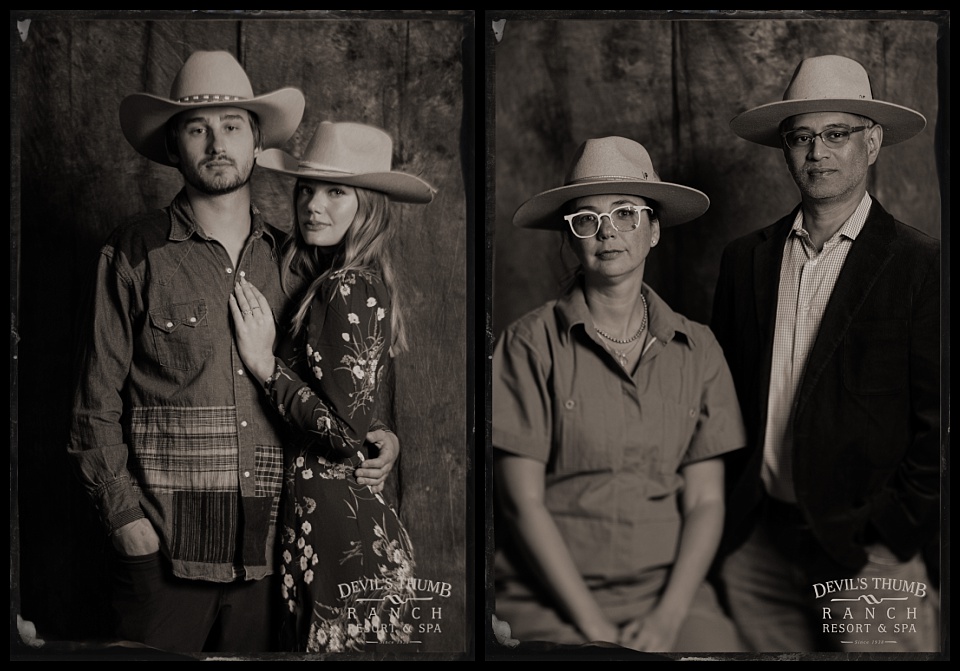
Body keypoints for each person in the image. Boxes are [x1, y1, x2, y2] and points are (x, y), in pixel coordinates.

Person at [67, 51, 400, 653]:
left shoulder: (297, 262)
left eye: (232, 126)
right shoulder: (132, 254)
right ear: (174, 146)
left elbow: (339, 382)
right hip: (165, 554)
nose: (216, 143)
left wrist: (379, 435)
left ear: (255, 142)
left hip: (275, 559)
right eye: (197, 128)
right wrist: (125, 523)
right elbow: (93, 408)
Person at [711, 54, 941, 653]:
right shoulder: (745, 261)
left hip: (868, 552)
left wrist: (891, 532)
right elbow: (722, 399)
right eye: (802, 138)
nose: (819, 152)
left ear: (873, 141)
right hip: (758, 543)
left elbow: (940, 425)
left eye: (837, 134)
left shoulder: (922, 266)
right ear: (784, 150)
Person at [492, 136, 747, 652]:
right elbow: (523, 502)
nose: (607, 231)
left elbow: (705, 500)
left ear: (654, 230)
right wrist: (597, 630)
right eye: (586, 219)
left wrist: (667, 618)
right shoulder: (527, 343)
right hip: (550, 599)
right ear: (571, 239)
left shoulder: (699, 348)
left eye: (626, 214)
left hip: (668, 597)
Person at [229, 120, 436, 653]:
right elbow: (359, 413)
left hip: (339, 531)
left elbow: (344, 429)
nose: (313, 205)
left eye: (336, 191)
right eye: (306, 189)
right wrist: (382, 434)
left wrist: (263, 364)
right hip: (336, 523)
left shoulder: (345, 286)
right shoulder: (353, 280)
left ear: (368, 205)